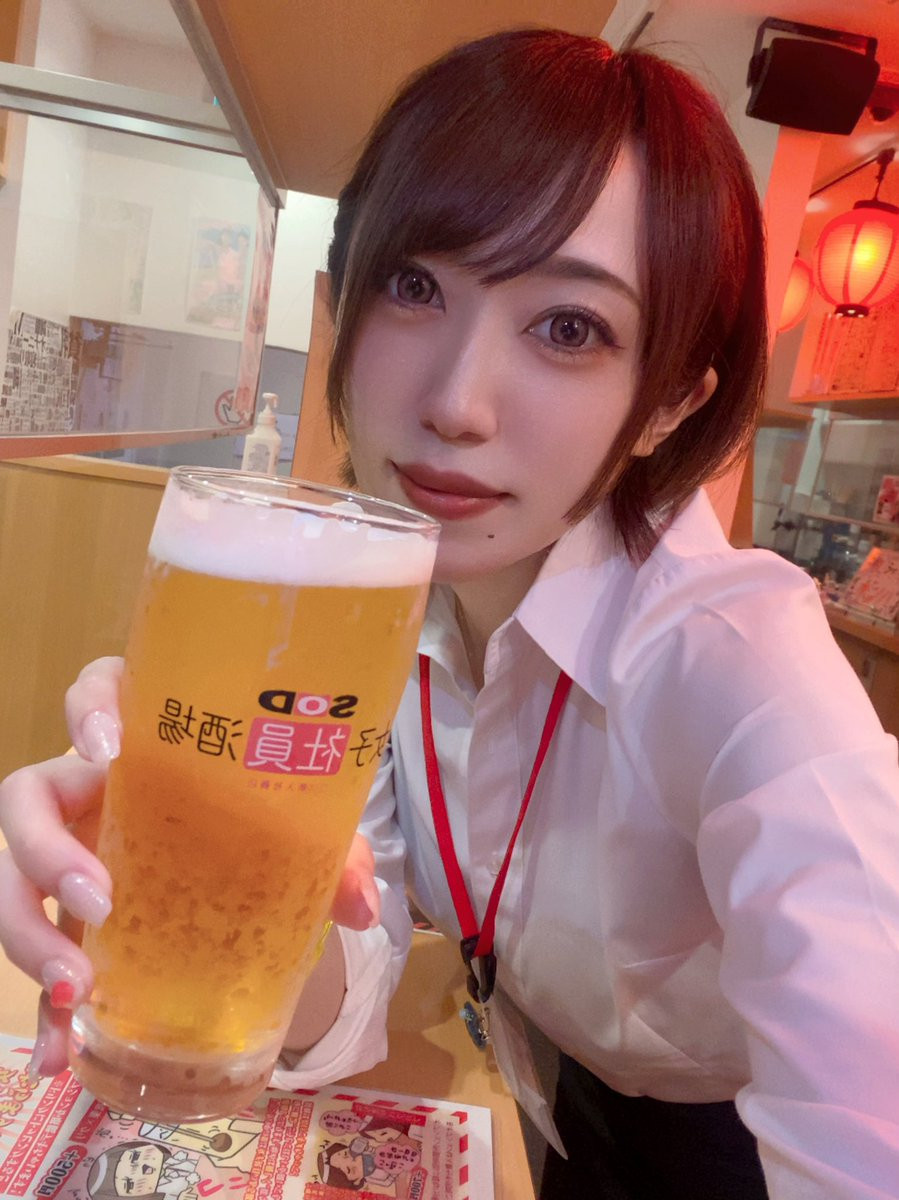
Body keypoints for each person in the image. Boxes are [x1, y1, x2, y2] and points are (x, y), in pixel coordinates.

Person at [1, 27, 898, 1200]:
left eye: (568, 328)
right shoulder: (369, 611)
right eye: (414, 287)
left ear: (667, 403)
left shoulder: (739, 661)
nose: (456, 404)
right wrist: (192, 867)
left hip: (720, 1141)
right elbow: (350, 968)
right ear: (342, 303)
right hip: (530, 1084)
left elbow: (866, 1113)